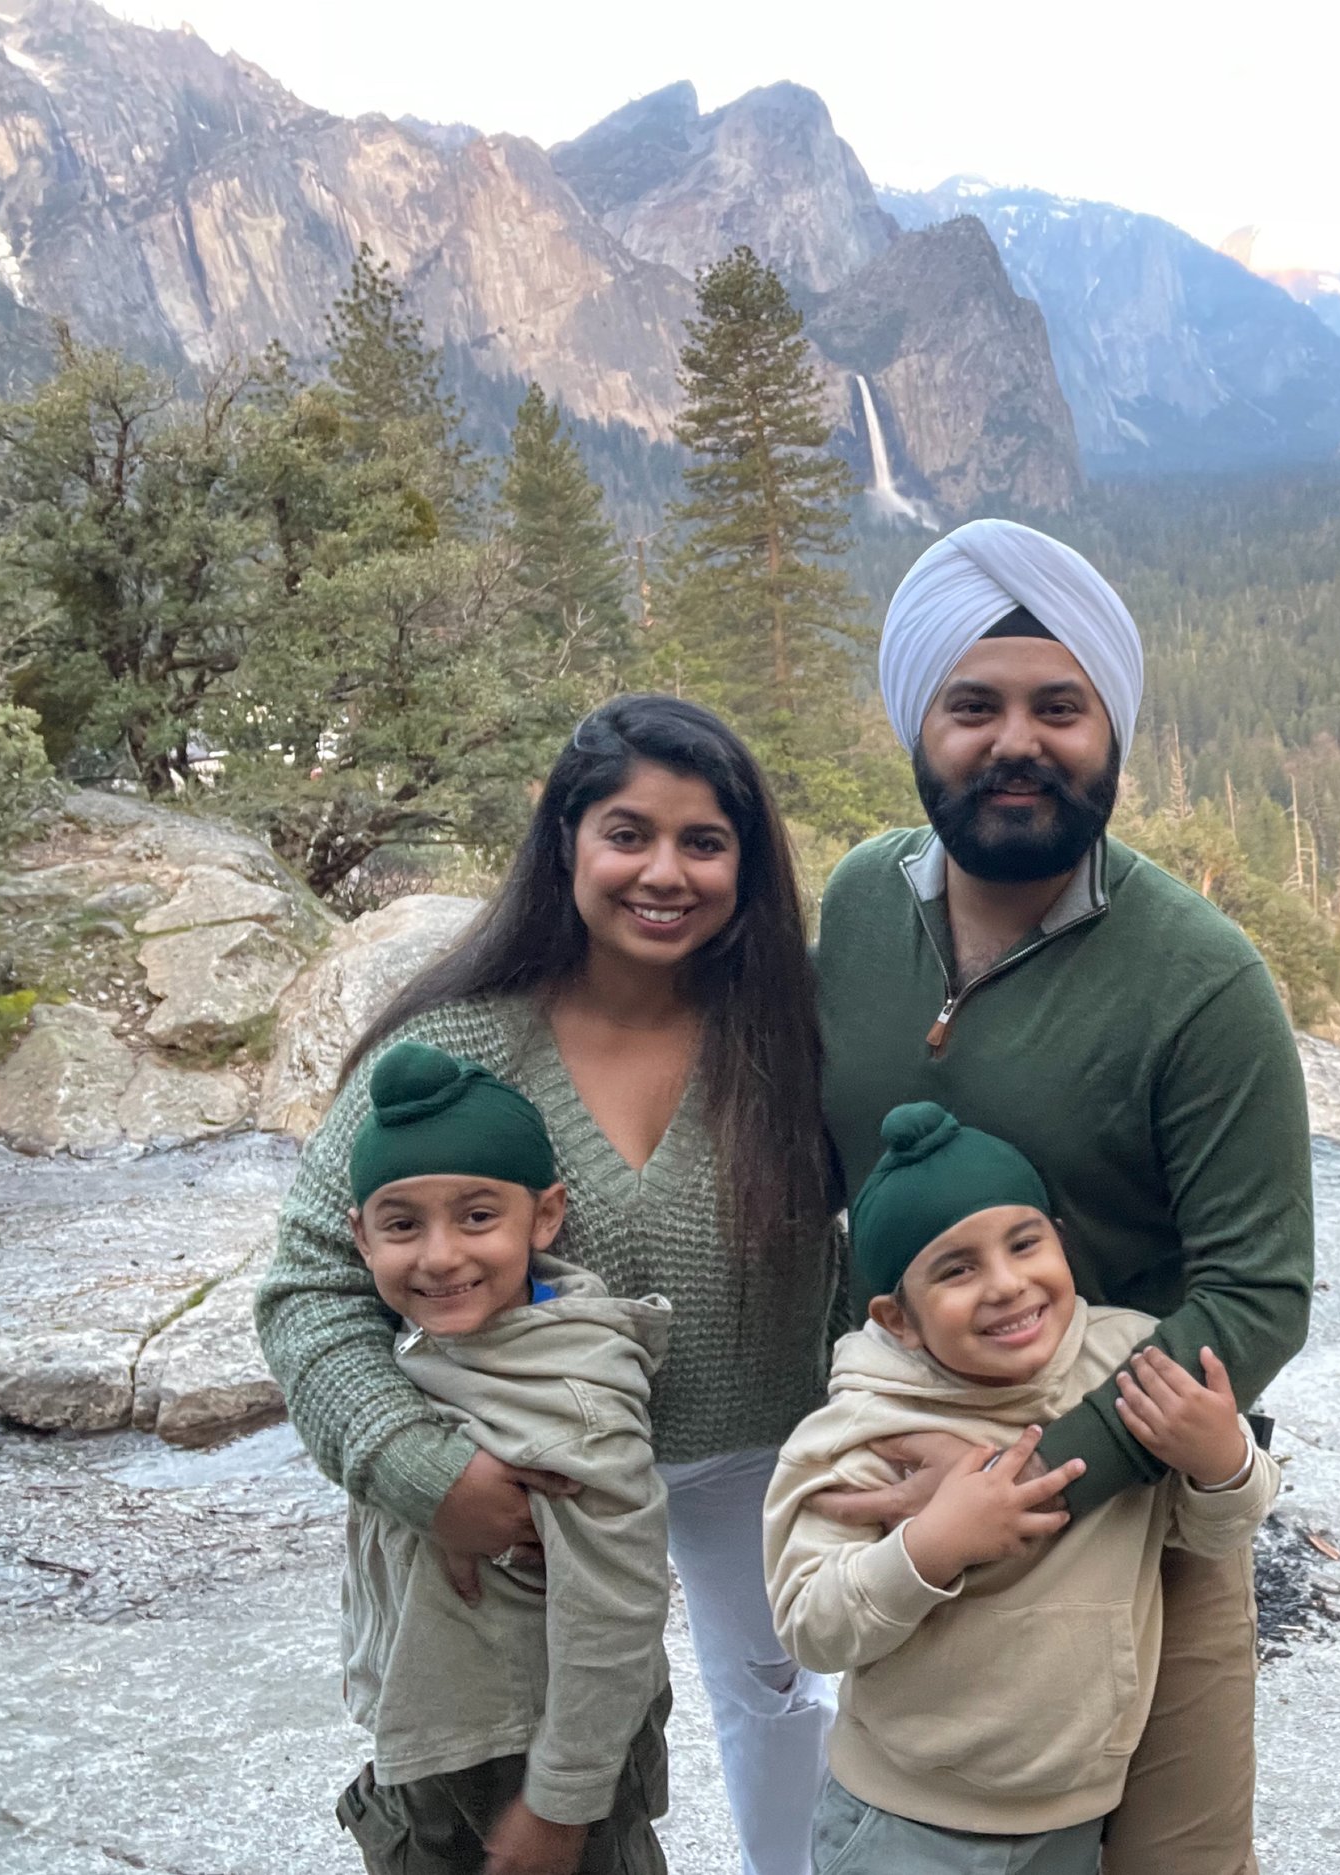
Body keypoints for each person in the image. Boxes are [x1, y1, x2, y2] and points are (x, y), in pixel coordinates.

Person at [258, 696, 839, 1875]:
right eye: (628, 833)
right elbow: (309, 1291)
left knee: (787, 1704)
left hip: (753, 1448)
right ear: (565, 839)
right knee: (525, 1763)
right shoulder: (457, 1053)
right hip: (516, 1477)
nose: (663, 872)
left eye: (704, 842)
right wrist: (422, 1471)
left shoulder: (794, 1034)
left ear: (748, 864)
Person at [812, 518, 1314, 1873]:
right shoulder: (862, 904)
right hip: (905, 1484)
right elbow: (821, 1175)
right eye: (972, 704)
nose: (1015, 741)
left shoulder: (1201, 978)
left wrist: (1032, 1476)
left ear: (1113, 732)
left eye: (1059, 706)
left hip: (1142, 1516)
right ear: (919, 724)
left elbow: (1256, 1290)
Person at [764, 1102, 1280, 1875]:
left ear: (1061, 1242)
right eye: (957, 1267)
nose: (1005, 1284)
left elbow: (1205, 1532)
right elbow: (810, 1623)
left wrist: (1221, 1459)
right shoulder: (862, 1429)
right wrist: (930, 1545)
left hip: (1072, 1816)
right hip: (904, 1817)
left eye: (1024, 1243)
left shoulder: (1130, 1365)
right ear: (896, 1319)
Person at [332, 1041, 673, 1875]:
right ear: (360, 1236)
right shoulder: (420, 1353)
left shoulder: (575, 1404)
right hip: (429, 1736)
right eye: (402, 1224)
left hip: (529, 1762)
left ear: (546, 1216)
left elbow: (619, 1612)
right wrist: (432, 1495)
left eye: (478, 1216)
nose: (441, 1255)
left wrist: (562, 1801)